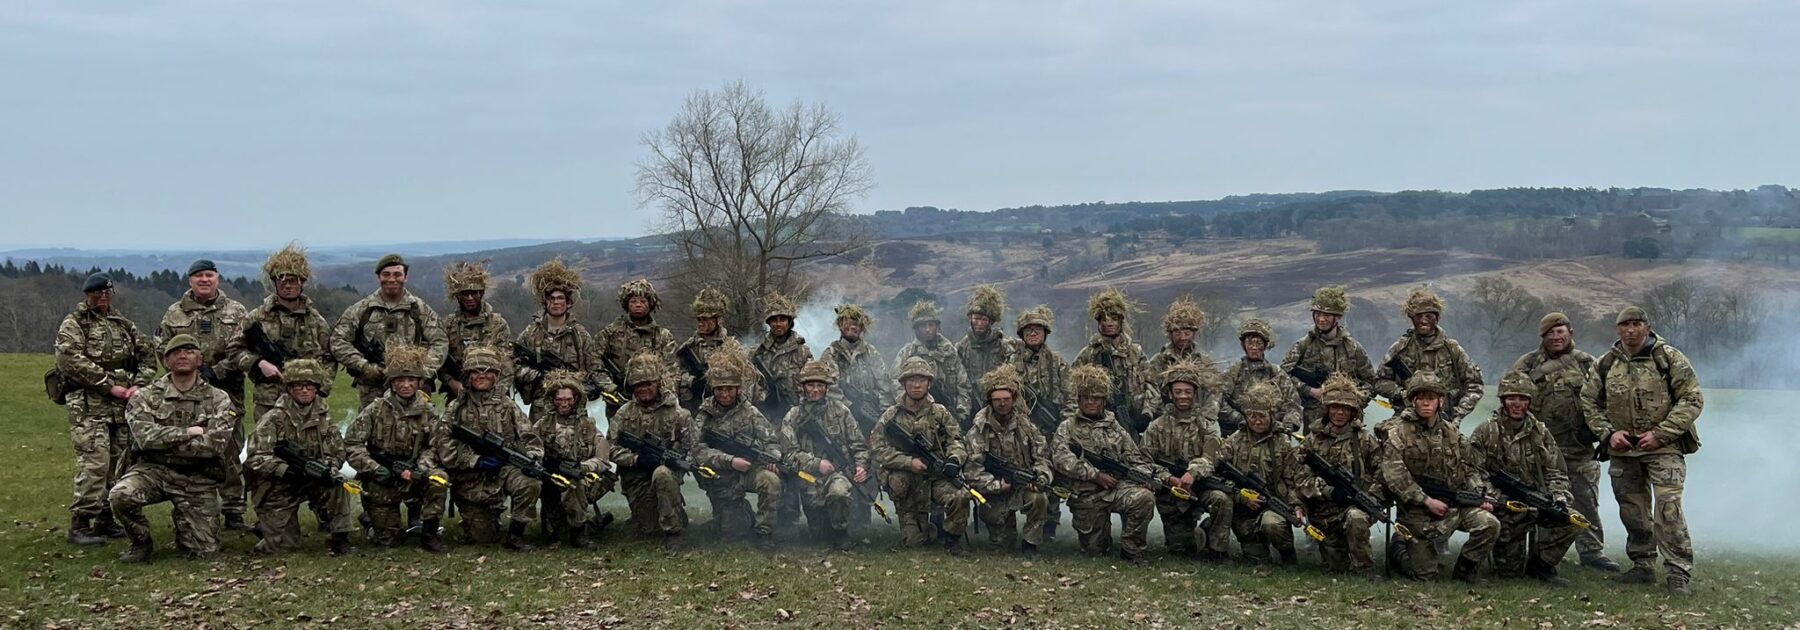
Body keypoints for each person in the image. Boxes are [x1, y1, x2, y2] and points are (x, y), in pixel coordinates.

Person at [1582, 306, 1703, 595]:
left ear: (1647, 327)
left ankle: (1678, 571)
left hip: (1665, 448)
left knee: (1668, 509)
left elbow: (1692, 398)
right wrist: (1609, 434)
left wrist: (1661, 434)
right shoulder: (1605, 364)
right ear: (1618, 329)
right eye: (1625, 325)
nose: (1631, 330)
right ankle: (1643, 564)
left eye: (1636, 324)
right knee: (1632, 511)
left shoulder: (1669, 358)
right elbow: (1589, 401)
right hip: (1624, 451)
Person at [108, 335, 237, 562]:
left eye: (189, 350)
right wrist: (188, 432)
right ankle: (141, 542)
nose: (182, 355)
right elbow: (145, 438)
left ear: (200, 359)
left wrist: (163, 443)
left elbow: (215, 446)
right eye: (175, 352)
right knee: (121, 495)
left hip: (197, 476)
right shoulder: (146, 396)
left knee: (204, 552)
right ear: (166, 361)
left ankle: (187, 524)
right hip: (153, 471)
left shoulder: (219, 399)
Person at [1510, 311, 1619, 573]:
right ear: (1543, 337)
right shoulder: (1527, 364)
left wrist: (1601, 434)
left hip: (1578, 447)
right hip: (1539, 449)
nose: (1555, 336)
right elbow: (1511, 398)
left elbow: (1604, 401)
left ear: (1571, 333)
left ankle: (1592, 552)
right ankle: (1541, 554)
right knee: (1541, 502)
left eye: (1560, 331)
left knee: (1585, 500)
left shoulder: (1587, 364)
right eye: (1550, 333)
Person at [54, 272, 157, 545]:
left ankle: (106, 518)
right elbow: (69, 360)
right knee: (94, 463)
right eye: (96, 293)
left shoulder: (122, 323)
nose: (102, 297)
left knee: (118, 463)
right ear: (86, 295)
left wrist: (139, 384)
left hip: (121, 406)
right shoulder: (75, 323)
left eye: (106, 293)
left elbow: (148, 354)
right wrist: (107, 385)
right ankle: (80, 523)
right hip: (89, 405)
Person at [1377, 373, 1500, 584]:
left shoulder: (1452, 433)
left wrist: (1481, 495)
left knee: (1489, 524)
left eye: (1431, 397)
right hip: (1417, 511)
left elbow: (1469, 469)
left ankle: (1465, 571)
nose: (1425, 402)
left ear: (1440, 401)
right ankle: (1399, 550)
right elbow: (1394, 475)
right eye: (1420, 397)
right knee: (1425, 577)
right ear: (1412, 400)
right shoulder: (1397, 433)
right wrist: (1426, 501)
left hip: (1454, 506)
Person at [1470, 371, 1581, 587]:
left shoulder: (1541, 433)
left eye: (1522, 399)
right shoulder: (1486, 431)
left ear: (1529, 401)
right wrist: (1498, 499)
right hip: (1504, 507)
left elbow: (1556, 471)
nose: (1517, 404)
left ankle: (1541, 565)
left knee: (1572, 520)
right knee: (1509, 574)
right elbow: (1472, 472)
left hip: (1536, 501)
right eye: (1512, 398)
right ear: (1503, 400)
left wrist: (1559, 498)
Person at [242, 358, 357, 556]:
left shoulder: (324, 417)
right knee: (283, 548)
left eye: (310, 386)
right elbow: (254, 457)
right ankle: (268, 529)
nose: (304, 390)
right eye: (298, 386)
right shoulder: (273, 418)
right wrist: (283, 470)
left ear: (316, 388)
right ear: (289, 389)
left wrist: (327, 468)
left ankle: (341, 538)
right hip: (278, 486)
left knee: (338, 486)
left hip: (313, 479)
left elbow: (338, 450)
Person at [343, 343, 449, 552]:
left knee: (439, 480)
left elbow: (438, 444)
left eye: (411, 380)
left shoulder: (428, 411)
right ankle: (372, 523)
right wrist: (373, 467)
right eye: (400, 380)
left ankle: (429, 533)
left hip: (416, 473)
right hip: (384, 477)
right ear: (392, 383)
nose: (406, 385)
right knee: (388, 540)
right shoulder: (375, 409)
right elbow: (352, 444)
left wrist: (422, 466)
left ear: (419, 382)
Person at [434, 345, 541, 551]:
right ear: (468, 376)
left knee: (530, 483)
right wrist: (475, 461)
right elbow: (443, 443)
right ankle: (489, 515)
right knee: (483, 538)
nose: (482, 377)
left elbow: (529, 436)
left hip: (503, 470)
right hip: (470, 478)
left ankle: (516, 536)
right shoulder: (457, 408)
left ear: (496, 376)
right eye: (476, 372)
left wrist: (533, 457)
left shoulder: (507, 405)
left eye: (488, 372)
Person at [1049, 364, 1157, 565]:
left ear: (1104, 401)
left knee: (1144, 498)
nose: (1090, 402)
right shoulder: (1067, 427)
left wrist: (1144, 477)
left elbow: (1134, 456)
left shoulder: (1115, 426)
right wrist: (1094, 475)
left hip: (1116, 489)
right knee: (1096, 551)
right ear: (1078, 399)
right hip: (1086, 495)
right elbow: (1062, 459)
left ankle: (1132, 550)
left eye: (1096, 398)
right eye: (1086, 397)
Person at [871, 356, 972, 554]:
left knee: (961, 496)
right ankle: (931, 528)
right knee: (915, 543)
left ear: (929, 383)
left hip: (936, 478)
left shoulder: (940, 413)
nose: (916, 385)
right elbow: (877, 448)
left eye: (922, 380)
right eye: (911, 380)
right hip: (908, 483)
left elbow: (957, 441)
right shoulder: (892, 415)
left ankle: (952, 540)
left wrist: (953, 460)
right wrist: (908, 462)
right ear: (903, 384)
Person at [1138, 359, 1232, 562]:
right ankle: (1197, 534)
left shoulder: (1207, 424)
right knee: (1180, 550)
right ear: (1170, 394)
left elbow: (1213, 455)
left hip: (1201, 486)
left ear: (1195, 394)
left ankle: (1218, 549)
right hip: (1171, 493)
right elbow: (1144, 460)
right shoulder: (1157, 426)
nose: (1183, 396)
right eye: (1178, 391)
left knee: (1221, 499)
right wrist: (1169, 478)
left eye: (1188, 392)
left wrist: (1193, 473)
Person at [607, 352, 702, 550]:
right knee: (648, 528)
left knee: (662, 474)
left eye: (648, 384)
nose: (644, 389)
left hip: (667, 474)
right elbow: (610, 448)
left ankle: (674, 532)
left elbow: (693, 447)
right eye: (639, 385)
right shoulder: (624, 413)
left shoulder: (679, 414)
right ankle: (666, 512)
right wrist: (635, 459)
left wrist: (679, 464)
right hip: (637, 477)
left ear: (658, 383)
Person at [694, 344, 785, 549]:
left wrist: (772, 457)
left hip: (750, 471)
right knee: (730, 532)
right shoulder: (705, 414)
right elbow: (696, 450)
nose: (724, 394)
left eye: (729, 389)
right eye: (720, 390)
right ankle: (739, 514)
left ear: (738, 389)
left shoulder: (750, 412)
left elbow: (772, 440)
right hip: (721, 475)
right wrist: (731, 461)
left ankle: (764, 532)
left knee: (770, 481)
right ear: (713, 390)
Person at [331, 254, 449, 408]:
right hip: (373, 389)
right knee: (373, 429)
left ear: (406, 277)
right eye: (386, 274)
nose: (392, 279)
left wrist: (420, 372)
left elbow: (440, 341)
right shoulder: (361, 310)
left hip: (412, 389)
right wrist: (364, 366)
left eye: (397, 274)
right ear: (378, 278)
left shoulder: (420, 310)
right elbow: (337, 341)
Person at [1221, 381, 1317, 566]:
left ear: (1272, 415)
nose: (1257, 421)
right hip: (1243, 510)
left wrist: (1297, 506)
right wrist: (1242, 497)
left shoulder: (1282, 443)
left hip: (1272, 505)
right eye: (1252, 416)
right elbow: (1221, 475)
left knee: (1272, 524)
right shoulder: (1234, 441)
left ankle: (1287, 552)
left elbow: (1293, 480)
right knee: (1257, 559)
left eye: (1262, 416)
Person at [1300, 372, 1386, 577]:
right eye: (1335, 408)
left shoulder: (1364, 440)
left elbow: (1382, 473)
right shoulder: (1312, 441)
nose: (1339, 413)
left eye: (1345, 409)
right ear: (1326, 409)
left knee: (1356, 518)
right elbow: (1300, 478)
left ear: (1353, 412)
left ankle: (1364, 570)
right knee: (1335, 567)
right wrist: (1329, 491)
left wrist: (1369, 496)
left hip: (1354, 508)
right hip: (1323, 513)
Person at [781, 359, 872, 550]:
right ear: (803, 387)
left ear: (826, 388)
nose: (815, 390)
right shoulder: (793, 416)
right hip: (809, 477)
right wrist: (816, 464)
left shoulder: (841, 412)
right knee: (820, 536)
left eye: (819, 385)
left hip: (838, 474)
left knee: (838, 493)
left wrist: (861, 465)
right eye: (811, 385)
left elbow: (859, 445)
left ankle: (841, 532)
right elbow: (788, 455)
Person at [965, 364, 1053, 554]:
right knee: (1002, 548)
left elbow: (1043, 456)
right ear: (990, 401)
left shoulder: (1026, 427)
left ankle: (1031, 543)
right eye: (997, 400)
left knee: (1039, 499)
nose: (1002, 404)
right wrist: (996, 485)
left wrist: (1040, 477)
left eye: (1006, 399)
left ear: (1014, 399)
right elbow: (971, 471)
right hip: (994, 493)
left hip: (1022, 487)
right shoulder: (978, 430)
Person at [819, 303, 891, 527]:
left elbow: (884, 387)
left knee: (867, 465)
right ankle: (843, 514)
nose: (852, 326)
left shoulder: (872, 354)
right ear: (840, 325)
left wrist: (881, 419)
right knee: (846, 464)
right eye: (847, 322)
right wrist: (851, 409)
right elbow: (830, 388)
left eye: (856, 323)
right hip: (840, 421)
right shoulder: (830, 354)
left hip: (870, 421)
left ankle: (863, 515)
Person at [1373, 287, 1483, 432]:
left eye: (1429, 316)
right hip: (1405, 420)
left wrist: (1458, 415)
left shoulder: (1453, 350)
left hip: (1445, 420)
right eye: (1418, 316)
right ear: (1412, 319)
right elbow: (1380, 382)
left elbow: (1474, 385)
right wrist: (1403, 394)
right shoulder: (1400, 349)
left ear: (1437, 318)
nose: (1423, 321)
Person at [533, 370, 616, 550]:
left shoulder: (588, 426)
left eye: (568, 399)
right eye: (559, 399)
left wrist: (582, 467)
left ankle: (580, 532)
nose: (564, 403)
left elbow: (603, 460)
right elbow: (531, 449)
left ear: (576, 399)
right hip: (551, 478)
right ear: (552, 400)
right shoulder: (542, 426)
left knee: (574, 483)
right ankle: (561, 530)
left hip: (583, 479)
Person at [513, 259, 603, 417]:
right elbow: (514, 366)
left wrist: (577, 382)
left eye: (560, 298)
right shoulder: (530, 334)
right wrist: (538, 375)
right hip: (542, 409)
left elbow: (594, 369)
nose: (556, 302)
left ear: (568, 303)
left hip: (574, 408)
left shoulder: (580, 336)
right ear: (545, 302)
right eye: (551, 298)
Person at [1009, 304, 1069, 540]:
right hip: (1021, 429)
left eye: (1037, 330)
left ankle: (1051, 523)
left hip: (1052, 428)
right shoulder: (1011, 363)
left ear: (1045, 333)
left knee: (1051, 473)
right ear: (1022, 335)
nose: (1033, 334)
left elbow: (1070, 396)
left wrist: (1064, 426)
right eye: (1028, 331)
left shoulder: (1058, 362)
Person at [1279, 285, 1377, 423]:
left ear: (1338, 317)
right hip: (1315, 418)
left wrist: (1354, 400)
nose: (1321, 319)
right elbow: (1283, 377)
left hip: (1348, 421)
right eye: (1318, 314)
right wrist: (1311, 391)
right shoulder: (1303, 346)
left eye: (1326, 315)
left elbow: (1371, 382)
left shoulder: (1353, 348)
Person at [1073, 288, 1155, 436]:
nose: (1109, 323)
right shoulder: (1088, 355)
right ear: (1098, 323)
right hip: (1098, 425)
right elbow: (1073, 392)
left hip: (1135, 422)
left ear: (1121, 321)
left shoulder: (1135, 353)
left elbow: (1152, 385)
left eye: (1114, 319)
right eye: (1104, 319)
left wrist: (1147, 414)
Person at [596, 278, 678, 417]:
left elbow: (672, 370)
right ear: (627, 304)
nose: (638, 305)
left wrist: (663, 395)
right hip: (618, 402)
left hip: (655, 405)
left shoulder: (663, 336)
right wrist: (609, 386)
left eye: (643, 301)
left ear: (650, 305)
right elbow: (594, 361)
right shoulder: (610, 333)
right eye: (633, 301)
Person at [439, 261, 513, 400]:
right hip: (459, 394)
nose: (469, 298)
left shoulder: (498, 324)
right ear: (457, 296)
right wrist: (451, 382)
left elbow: (507, 364)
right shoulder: (449, 325)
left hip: (494, 395)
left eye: (474, 293)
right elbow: (441, 361)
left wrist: (497, 393)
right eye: (464, 294)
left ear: (482, 293)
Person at [1219, 319, 1303, 436]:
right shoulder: (1233, 372)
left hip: (1273, 434)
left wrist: (1288, 424)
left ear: (1265, 346)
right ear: (1243, 346)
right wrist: (1238, 419)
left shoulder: (1276, 373)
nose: (1254, 347)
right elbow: (1217, 400)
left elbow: (1293, 403)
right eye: (1250, 343)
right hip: (1238, 433)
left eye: (1258, 343)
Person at [893, 300, 969, 423]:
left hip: (950, 413)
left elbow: (963, 384)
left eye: (931, 325)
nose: (928, 329)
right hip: (916, 416)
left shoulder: (949, 352)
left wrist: (962, 414)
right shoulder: (907, 353)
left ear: (937, 327)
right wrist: (910, 409)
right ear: (917, 329)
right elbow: (896, 383)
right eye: (923, 326)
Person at [1146, 296, 1212, 419]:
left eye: (1187, 333)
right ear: (1170, 335)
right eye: (1177, 333)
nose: (1182, 338)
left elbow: (1214, 394)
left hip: (1199, 418)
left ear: (1194, 334)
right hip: (1167, 418)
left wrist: (1205, 418)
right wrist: (1167, 417)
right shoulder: (1159, 361)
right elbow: (1152, 392)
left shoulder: (1204, 361)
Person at [752, 292, 811, 427]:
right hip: (767, 417)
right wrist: (765, 397)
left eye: (782, 320)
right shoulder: (760, 352)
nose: (778, 324)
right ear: (769, 322)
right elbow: (751, 384)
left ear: (790, 322)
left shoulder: (802, 352)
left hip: (796, 417)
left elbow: (811, 386)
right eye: (774, 320)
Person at [957, 285, 1014, 421]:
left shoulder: (1004, 345)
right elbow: (959, 382)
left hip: (1000, 405)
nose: (980, 323)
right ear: (970, 318)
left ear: (991, 321)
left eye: (984, 320)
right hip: (972, 405)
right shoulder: (962, 347)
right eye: (977, 318)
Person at [674, 287, 732, 412]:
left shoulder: (731, 347)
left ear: (718, 320)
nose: (700, 323)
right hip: (694, 407)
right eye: (698, 319)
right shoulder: (688, 349)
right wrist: (692, 382)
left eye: (705, 319)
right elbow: (675, 376)